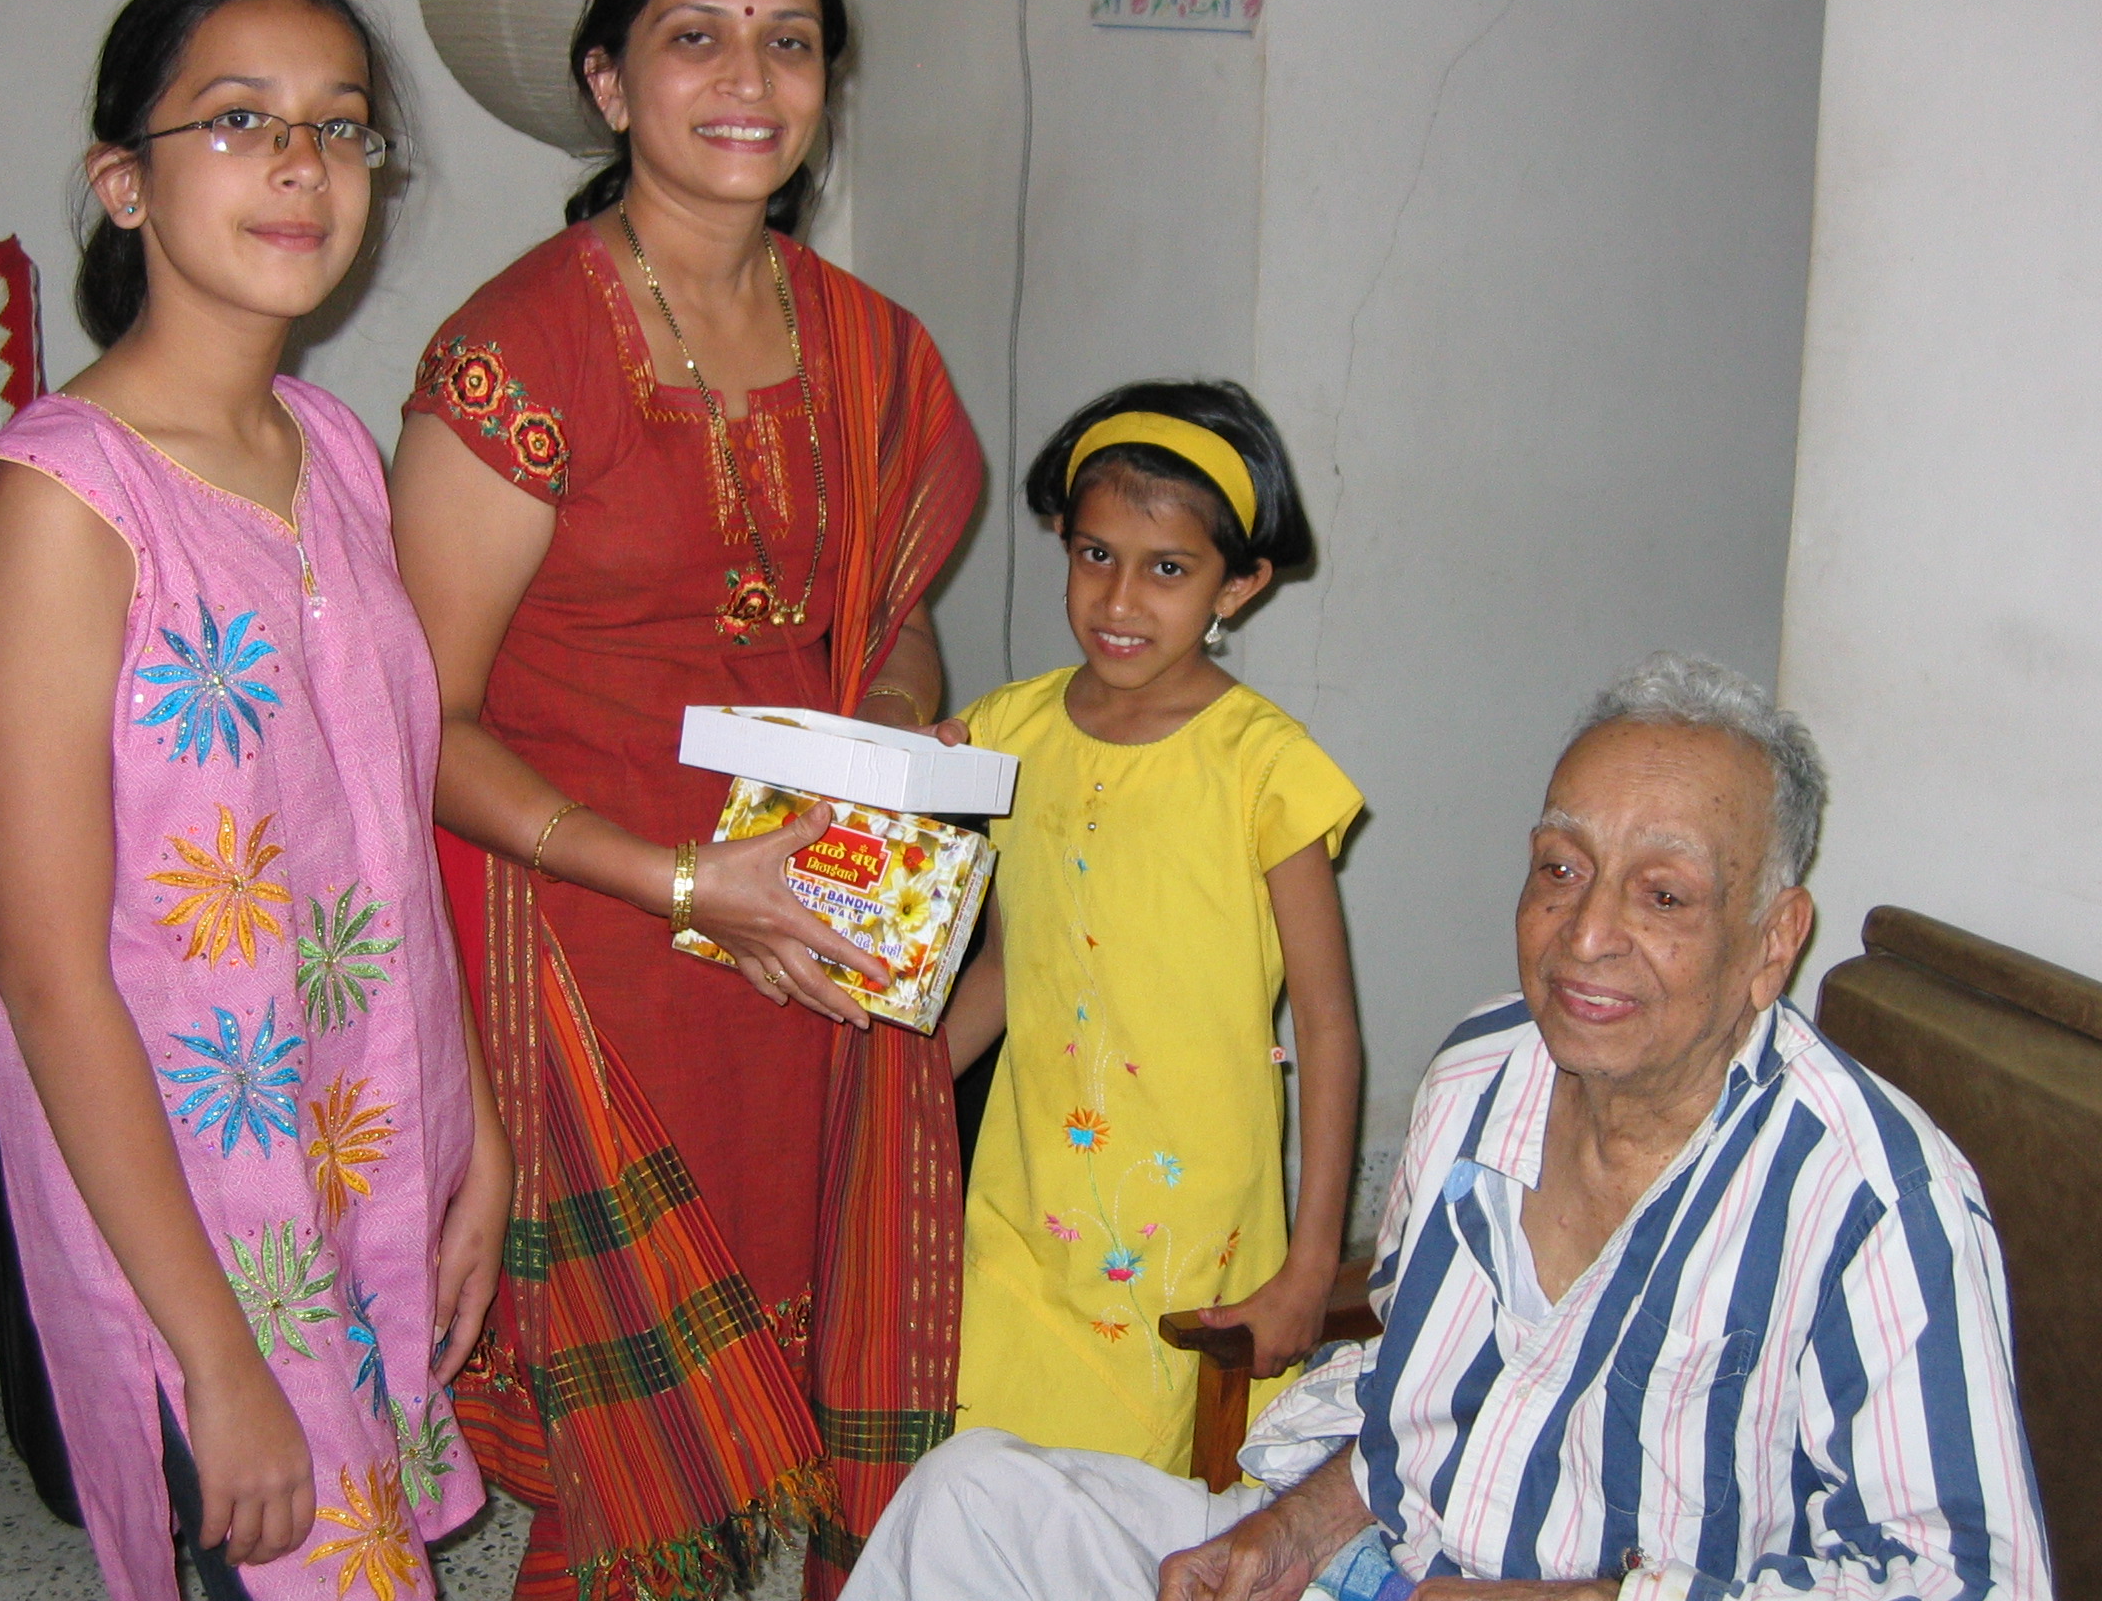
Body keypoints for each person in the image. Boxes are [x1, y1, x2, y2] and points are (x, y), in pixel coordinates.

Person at [843, 652, 2053, 1601]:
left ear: (1773, 941)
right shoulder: (1480, 1074)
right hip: (1379, 1569)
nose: (1586, 936)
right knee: (970, 1503)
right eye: (1560, 869)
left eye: (1664, 895)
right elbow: (1417, 1404)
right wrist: (1288, 1534)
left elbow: (1970, 1582)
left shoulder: (1871, 1204)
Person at [386, 0, 983, 1595]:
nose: (748, 79)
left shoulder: (875, 348)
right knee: (638, 1478)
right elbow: (423, 724)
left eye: (788, 42)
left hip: (809, 921)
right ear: (608, 80)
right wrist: (678, 879)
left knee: (810, 1364)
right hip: (596, 939)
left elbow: (889, 622)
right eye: (695, 36)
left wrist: (890, 748)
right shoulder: (517, 354)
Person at [0, 0, 508, 1601]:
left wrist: (474, 1134)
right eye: (240, 120)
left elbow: (385, 835)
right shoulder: (65, 510)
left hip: (360, 1140)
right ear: (125, 181)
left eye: (340, 125)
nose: (302, 163)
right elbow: (47, 972)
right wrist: (219, 1358)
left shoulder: (330, 449)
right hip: (193, 1219)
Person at [939, 381, 1365, 1473]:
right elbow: (1010, 964)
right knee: (992, 1462)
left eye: (1168, 569)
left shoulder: (1263, 764)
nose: (1119, 599)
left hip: (1188, 1208)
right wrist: (897, 1100)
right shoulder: (1007, 732)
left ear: (1240, 584)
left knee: (1136, 1491)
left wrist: (1311, 1263)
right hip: (1025, 1188)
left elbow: (1326, 1026)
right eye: (1096, 555)